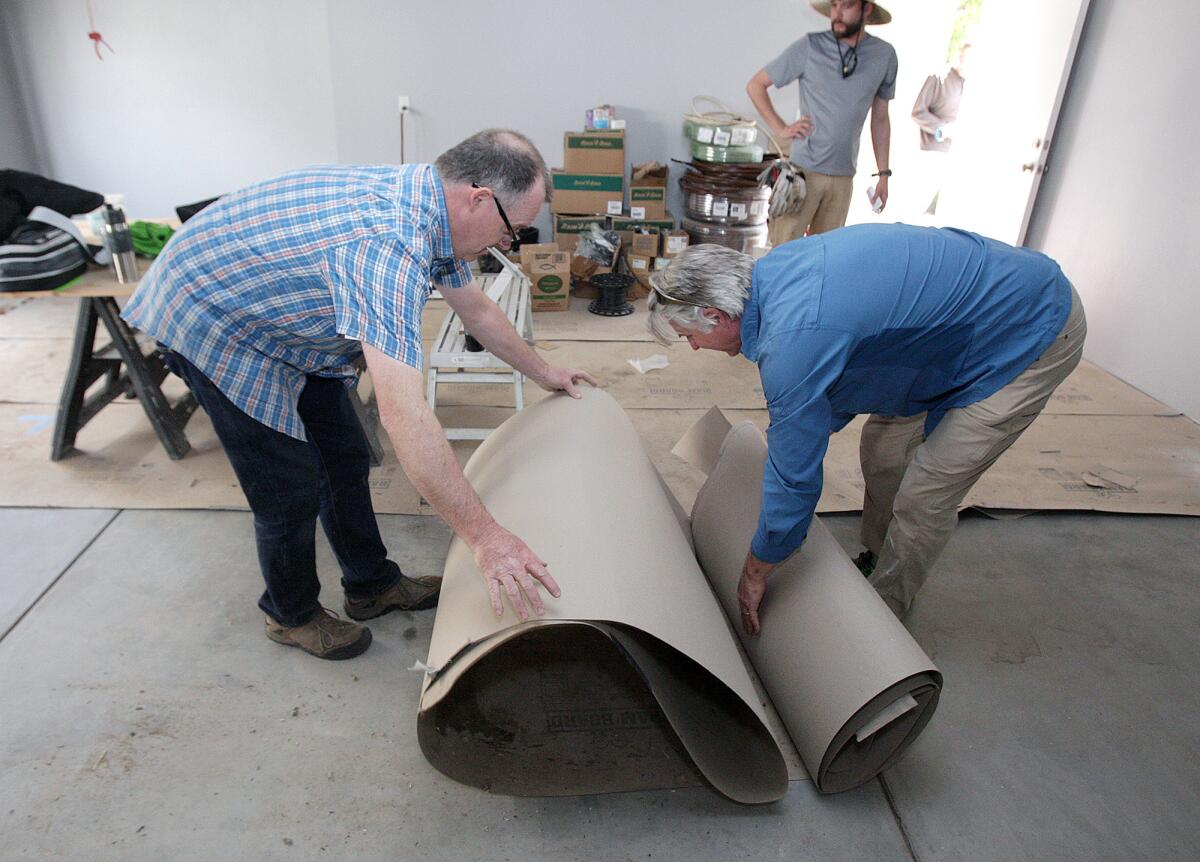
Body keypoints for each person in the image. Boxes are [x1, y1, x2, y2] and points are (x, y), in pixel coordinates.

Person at [122, 129, 597, 660]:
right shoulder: (387, 249)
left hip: (290, 320)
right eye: (515, 231)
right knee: (288, 487)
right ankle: (290, 613)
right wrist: (486, 539)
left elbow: (477, 310)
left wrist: (544, 372)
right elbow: (405, 415)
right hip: (214, 317)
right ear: (478, 198)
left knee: (343, 457)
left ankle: (371, 586)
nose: (511, 245)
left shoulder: (433, 207)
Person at [646, 225, 1086, 632]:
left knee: (925, 492)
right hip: (955, 332)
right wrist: (797, 432)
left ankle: (885, 613)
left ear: (716, 314)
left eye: (689, 335)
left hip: (1030, 331)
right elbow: (830, 388)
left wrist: (757, 569)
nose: (694, 346)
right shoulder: (777, 278)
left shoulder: (794, 338)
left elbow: (797, 478)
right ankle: (878, 556)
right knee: (884, 450)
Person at [747, 0, 897, 244]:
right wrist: (781, 128)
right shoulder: (810, 46)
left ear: (866, 9)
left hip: (843, 177)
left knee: (826, 259)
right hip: (802, 174)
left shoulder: (884, 55)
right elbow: (756, 85)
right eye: (834, 5)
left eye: (846, 6)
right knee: (783, 253)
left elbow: (880, 118)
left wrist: (883, 175)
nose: (837, 13)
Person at [911, 42, 970, 217]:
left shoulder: (971, 85)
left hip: (956, 156)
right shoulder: (939, 77)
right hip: (933, 152)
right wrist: (942, 129)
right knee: (918, 205)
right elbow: (917, 111)